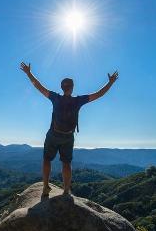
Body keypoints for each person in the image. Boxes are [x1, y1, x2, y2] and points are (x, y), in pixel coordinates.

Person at [20, 62, 118, 196]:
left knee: (47, 160)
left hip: (53, 134)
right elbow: (99, 94)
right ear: (72, 88)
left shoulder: (55, 98)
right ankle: (66, 190)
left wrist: (28, 73)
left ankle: (45, 187)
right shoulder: (78, 100)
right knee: (66, 163)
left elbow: (39, 87)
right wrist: (111, 82)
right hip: (68, 137)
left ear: (61, 87)